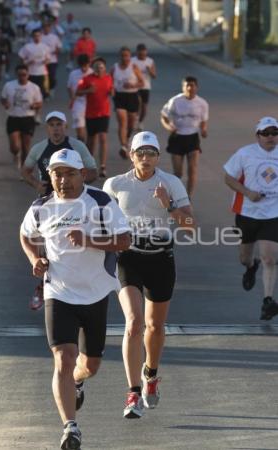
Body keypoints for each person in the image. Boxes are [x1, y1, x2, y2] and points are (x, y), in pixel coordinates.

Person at [20, 148, 131, 449]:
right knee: (63, 359)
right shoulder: (41, 207)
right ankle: (70, 427)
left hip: (95, 293)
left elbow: (125, 240)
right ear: (50, 176)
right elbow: (26, 235)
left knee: (89, 366)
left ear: (82, 174)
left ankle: (78, 382)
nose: (63, 180)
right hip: (59, 291)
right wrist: (35, 258)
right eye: (57, 173)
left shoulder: (101, 202)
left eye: (69, 173)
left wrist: (89, 241)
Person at [103, 131, 195, 418]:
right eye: (139, 153)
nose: (145, 158)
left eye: (151, 153)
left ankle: (150, 376)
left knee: (155, 327)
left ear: (158, 156)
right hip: (129, 257)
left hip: (161, 258)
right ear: (131, 155)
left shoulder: (171, 183)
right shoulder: (115, 184)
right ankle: (132, 393)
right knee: (134, 323)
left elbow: (190, 224)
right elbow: (101, 220)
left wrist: (169, 204)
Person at [22, 110, 98, 310]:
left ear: (65, 126)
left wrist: (77, 182)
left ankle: (79, 285)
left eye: (59, 124)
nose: (56, 128)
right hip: (48, 203)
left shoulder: (77, 146)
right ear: (47, 128)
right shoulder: (39, 148)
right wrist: (36, 184)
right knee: (45, 248)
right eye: (52, 124)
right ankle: (43, 286)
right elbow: (25, 169)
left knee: (69, 246)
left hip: (75, 202)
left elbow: (93, 171)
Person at [224, 116, 278, 321]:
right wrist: (247, 193)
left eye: (274, 133)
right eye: (266, 133)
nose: (271, 137)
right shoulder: (245, 154)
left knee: (270, 257)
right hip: (247, 213)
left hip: (273, 214)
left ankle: (268, 301)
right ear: (258, 136)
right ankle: (250, 266)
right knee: (244, 257)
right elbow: (228, 178)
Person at [161, 75, 209, 199]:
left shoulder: (202, 103)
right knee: (178, 173)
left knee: (192, 169)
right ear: (183, 87)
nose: (189, 88)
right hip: (177, 137)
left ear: (196, 87)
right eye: (187, 85)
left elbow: (203, 121)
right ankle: (176, 195)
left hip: (192, 138)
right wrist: (169, 127)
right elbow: (164, 116)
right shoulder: (175, 101)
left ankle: (188, 197)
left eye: (192, 85)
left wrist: (203, 130)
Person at [0, 63, 42, 170]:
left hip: (27, 118)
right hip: (13, 117)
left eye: (24, 74)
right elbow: (3, 98)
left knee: (25, 146)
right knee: (14, 147)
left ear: (28, 74)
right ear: (16, 75)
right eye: (20, 75)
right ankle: (16, 154)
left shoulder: (34, 87)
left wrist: (35, 105)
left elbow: (40, 103)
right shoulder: (9, 85)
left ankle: (24, 170)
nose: (22, 77)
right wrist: (5, 103)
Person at [77, 57, 114, 178]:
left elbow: (111, 90)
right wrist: (88, 90)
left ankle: (103, 166)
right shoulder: (86, 79)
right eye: (97, 67)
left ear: (104, 68)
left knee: (103, 137)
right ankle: (89, 165)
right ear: (93, 68)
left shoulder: (108, 78)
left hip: (104, 113)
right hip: (91, 113)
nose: (99, 69)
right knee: (91, 140)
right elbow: (77, 92)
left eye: (102, 67)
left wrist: (112, 92)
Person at [111, 46, 144, 159]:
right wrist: (111, 91)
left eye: (127, 56)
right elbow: (109, 82)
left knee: (130, 124)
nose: (125, 58)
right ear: (119, 56)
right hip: (119, 97)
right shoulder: (114, 68)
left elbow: (142, 83)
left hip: (132, 96)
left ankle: (128, 138)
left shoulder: (134, 67)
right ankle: (123, 146)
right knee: (122, 122)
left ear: (130, 57)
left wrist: (133, 85)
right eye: (123, 55)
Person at [18, 28, 51, 98]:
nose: (37, 37)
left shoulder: (45, 47)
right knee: (30, 90)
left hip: (42, 72)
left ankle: (40, 101)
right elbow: (21, 58)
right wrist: (28, 62)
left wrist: (45, 61)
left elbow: (48, 59)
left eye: (38, 36)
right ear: (32, 37)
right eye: (35, 36)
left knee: (41, 90)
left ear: (41, 36)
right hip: (31, 72)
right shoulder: (27, 47)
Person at [67, 53, 93, 142]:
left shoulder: (93, 73)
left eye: (86, 65)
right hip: (78, 103)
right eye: (82, 66)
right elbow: (69, 87)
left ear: (89, 64)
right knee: (79, 128)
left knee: (91, 131)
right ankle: (81, 146)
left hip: (91, 104)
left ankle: (88, 150)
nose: (84, 68)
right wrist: (72, 99)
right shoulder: (73, 74)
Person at [131, 43, 156, 131]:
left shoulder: (150, 61)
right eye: (140, 53)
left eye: (143, 53)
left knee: (144, 107)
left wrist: (149, 70)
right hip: (135, 86)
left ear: (146, 52)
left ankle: (140, 122)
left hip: (145, 86)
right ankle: (135, 120)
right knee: (138, 103)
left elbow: (154, 76)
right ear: (137, 52)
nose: (142, 55)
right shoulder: (132, 61)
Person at [42, 21, 62, 97]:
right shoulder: (40, 37)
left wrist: (55, 51)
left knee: (52, 76)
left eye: (48, 27)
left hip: (53, 60)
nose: (46, 29)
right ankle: (45, 92)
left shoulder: (54, 37)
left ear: (50, 28)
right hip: (43, 61)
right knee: (44, 77)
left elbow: (59, 48)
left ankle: (52, 88)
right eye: (45, 27)